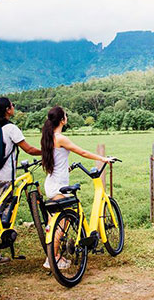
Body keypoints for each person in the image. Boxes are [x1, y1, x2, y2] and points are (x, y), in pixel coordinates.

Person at [40, 105, 115, 269]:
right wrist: (104, 159)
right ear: (62, 120)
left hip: (52, 182)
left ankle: (53, 257)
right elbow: (83, 152)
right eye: (66, 115)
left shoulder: (48, 136)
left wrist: (66, 168)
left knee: (55, 223)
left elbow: (55, 159)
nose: (67, 117)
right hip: (59, 186)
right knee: (62, 223)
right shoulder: (60, 137)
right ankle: (53, 258)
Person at [0, 97, 41, 264]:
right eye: (12, 105)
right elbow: (29, 150)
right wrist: (46, 152)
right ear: (8, 110)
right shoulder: (11, 128)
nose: (13, 107)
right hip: (3, 179)